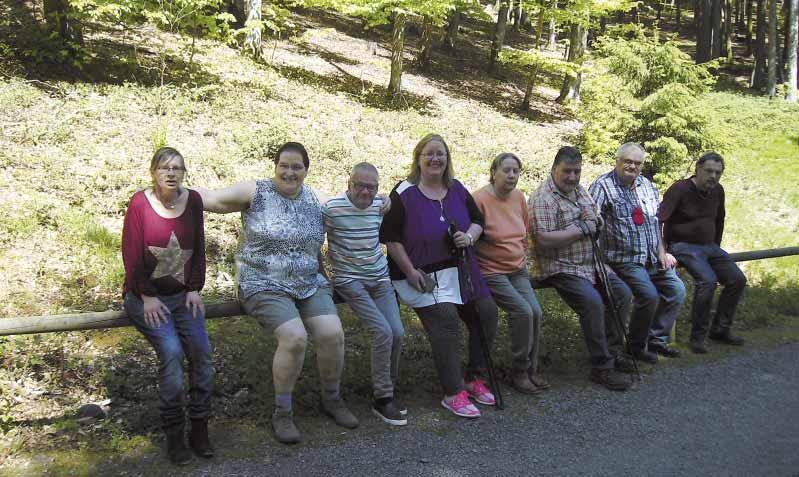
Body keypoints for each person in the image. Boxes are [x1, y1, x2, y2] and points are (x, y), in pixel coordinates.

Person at [197, 142, 358, 444]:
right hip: (263, 283)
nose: (289, 172)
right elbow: (213, 200)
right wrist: (173, 191)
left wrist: (383, 201)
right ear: (275, 166)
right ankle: (282, 412)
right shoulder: (255, 192)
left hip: (309, 282)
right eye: (284, 165)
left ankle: (332, 399)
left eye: (297, 166)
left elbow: (354, 205)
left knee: (332, 333)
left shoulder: (317, 199)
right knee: (295, 337)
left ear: (306, 170)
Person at [380, 133, 499, 418]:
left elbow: (478, 221)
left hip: (460, 269)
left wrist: (469, 238)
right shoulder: (404, 192)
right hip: (420, 273)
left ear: (447, 159)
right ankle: (452, 391)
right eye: (429, 154)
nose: (435, 159)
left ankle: (475, 377)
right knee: (445, 319)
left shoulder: (456, 188)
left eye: (440, 154)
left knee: (487, 311)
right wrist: (409, 271)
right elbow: (391, 237)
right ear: (418, 159)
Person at [121, 147, 214, 465]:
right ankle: (174, 434)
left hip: (183, 297)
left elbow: (199, 247)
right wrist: (146, 296)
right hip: (146, 297)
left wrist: (194, 288)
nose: (171, 173)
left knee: (202, 352)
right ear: (153, 172)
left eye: (177, 168)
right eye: (164, 168)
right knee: (172, 354)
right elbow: (132, 256)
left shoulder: (194, 202)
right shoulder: (139, 204)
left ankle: (199, 428)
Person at [528, 146, 633, 391]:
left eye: (576, 171)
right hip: (560, 266)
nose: (572, 177)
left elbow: (596, 218)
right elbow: (543, 239)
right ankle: (602, 367)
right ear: (554, 169)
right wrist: (580, 229)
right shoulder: (542, 198)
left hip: (591, 263)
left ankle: (613, 352)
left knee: (622, 293)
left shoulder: (581, 190)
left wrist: (593, 223)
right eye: (567, 171)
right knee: (592, 303)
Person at [322, 162, 407, 426]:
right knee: (382, 331)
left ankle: (388, 390)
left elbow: (392, 213)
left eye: (371, 187)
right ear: (349, 183)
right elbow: (315, 240)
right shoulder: (332, 209)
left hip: (380, 277)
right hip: (350, 280)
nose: (365, 192)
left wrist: (386, 200)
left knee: (398, 332)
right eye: (360, 185)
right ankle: (382, 399)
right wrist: (321, 274)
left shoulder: (379, 205)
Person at [588, 143, 686, 361]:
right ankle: (636, 347)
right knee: (648, 295)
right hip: (624, 260)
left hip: (652, 256)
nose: (632, 167)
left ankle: (655, 340)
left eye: (637, 163)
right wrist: (596, 261)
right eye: (628, 162)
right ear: (617, 161)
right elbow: (591, 225)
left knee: (677, 290)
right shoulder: (602, 187)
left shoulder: (648, 187)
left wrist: (662, 250)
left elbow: (654, 223)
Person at [473, 153, 548, 394]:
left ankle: (530, 369)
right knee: (523, 311)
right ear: (493, 172)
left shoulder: (518, 197)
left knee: (535, 312)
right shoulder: (479, 200)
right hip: (491, 271)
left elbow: (524, 231)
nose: (512, 175)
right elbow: (471, 238)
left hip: (517, 269)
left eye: (516, 171)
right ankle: (519, 371)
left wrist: (522, 255)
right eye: (506, 170)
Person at [658, 152, 747, 354]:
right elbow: (661, 220)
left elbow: (720, 219)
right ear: (697, 169)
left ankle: (720, 329)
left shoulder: (718, 191)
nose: (713, 176)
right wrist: (663, 250)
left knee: (737, 279)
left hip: (709, 247)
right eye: (709, 171)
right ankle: (698, 337)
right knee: (707, 281)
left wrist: (716, 246)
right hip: (682, 245)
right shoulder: (679, 189)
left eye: (718, 172)